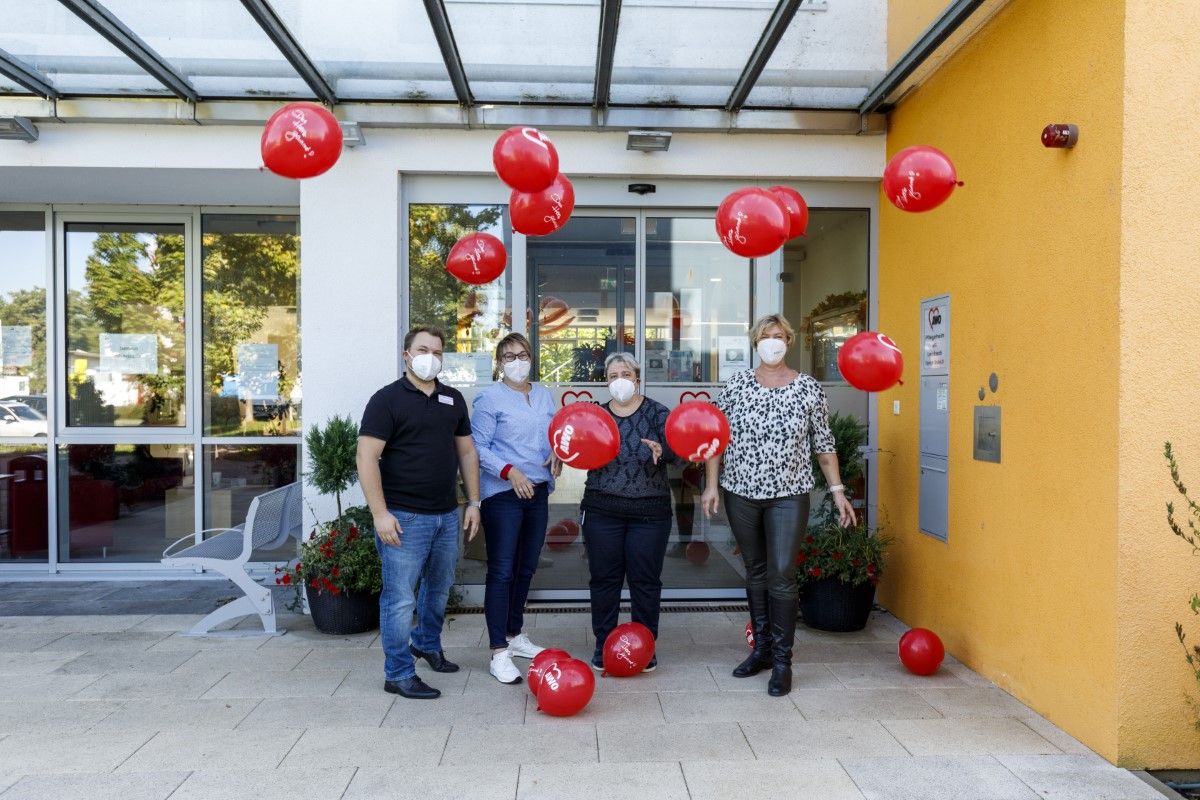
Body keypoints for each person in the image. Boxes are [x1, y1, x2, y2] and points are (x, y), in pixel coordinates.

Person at [701, 313, 856, 697]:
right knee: (755, 570)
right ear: (755, 342)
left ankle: (783, 662)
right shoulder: (735, 385)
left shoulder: (808, 388)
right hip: (740, 491)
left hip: (789, 494)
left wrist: (838, 491)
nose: (772, 341)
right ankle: (763, 650)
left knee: (782, 573)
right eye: (765, 336)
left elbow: (824, 445)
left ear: (788, 341)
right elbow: (715, 439)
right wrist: (711, 486)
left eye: (779, 336)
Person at [357, 326, 482, 700]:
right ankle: (397, 673)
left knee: (438, 589)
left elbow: (466, 453)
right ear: (406, 355)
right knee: (399, 599)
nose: (431, 357)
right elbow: (366, 457)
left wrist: (474, 502)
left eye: (438, 352)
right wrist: (380, 514)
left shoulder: (452, 399)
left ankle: (427, 644)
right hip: (403, 517)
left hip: (446, 514)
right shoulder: (387, 400)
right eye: (423, 350)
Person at [472, 332, 562, 684]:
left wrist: (557, 453)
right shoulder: (489, 398)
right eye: (509, 356)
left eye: (522, 355)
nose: (517, 361)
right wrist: (510, 472)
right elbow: (477, 448)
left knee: (526, 568)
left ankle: (514, 633)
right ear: (499, 362)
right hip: (504, 493)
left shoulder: (543, 395)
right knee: (502, 570)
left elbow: (553, 435)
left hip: (537, 491)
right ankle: (498, 651)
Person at [582, 353, 679, 672]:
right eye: (613, 376)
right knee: (604, 580)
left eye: (626, 374)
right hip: (602, 511)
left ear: (637, 378)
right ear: (606, 381)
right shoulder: (596, 415)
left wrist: (663, 451)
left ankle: (644, 646)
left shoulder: (658, 413)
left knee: (645, 581)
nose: (619, 380)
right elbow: (576, 448)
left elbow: (681, 454)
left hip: (650, 514)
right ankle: (603, 643)